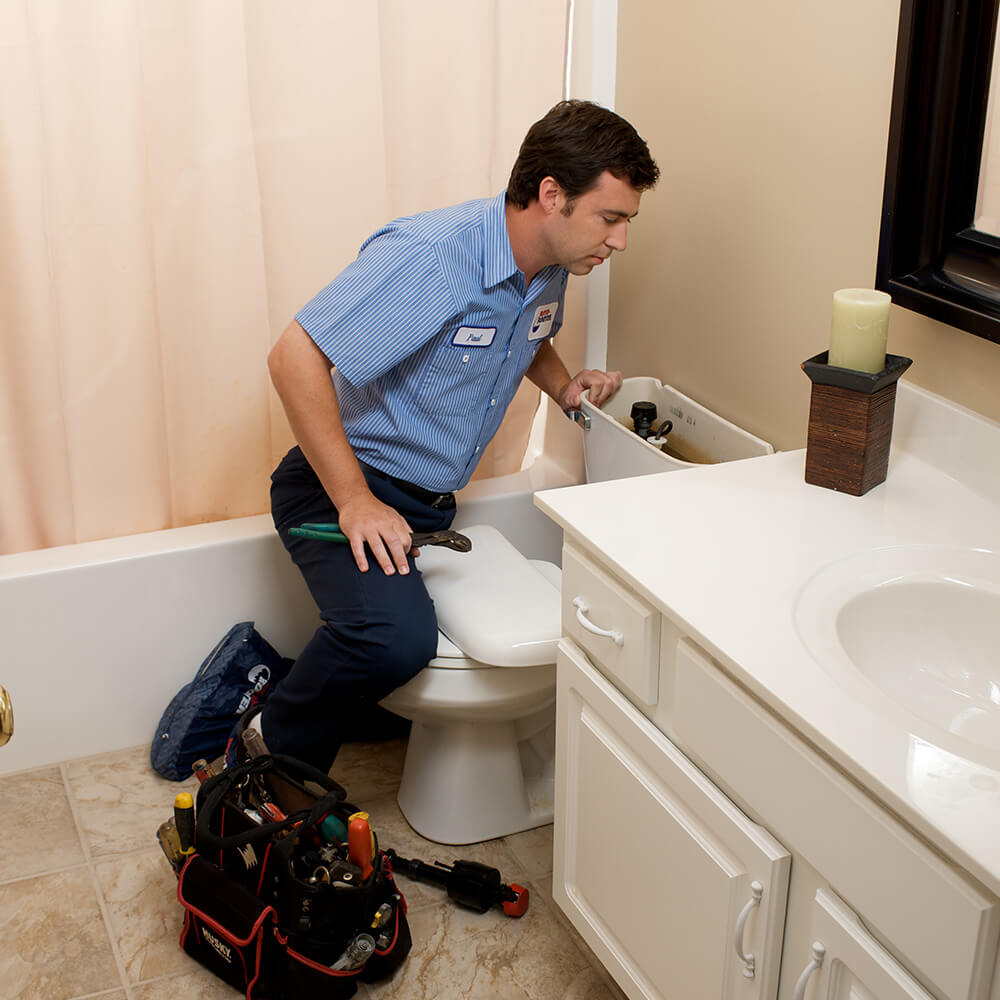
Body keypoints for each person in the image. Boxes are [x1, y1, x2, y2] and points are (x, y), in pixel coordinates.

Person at [237, 99, 659, 772]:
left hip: (425, 503)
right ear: (551, 195)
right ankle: (262, 747)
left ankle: (345, 705)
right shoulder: (434, 256)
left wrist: (565, 388)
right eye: (611, 219)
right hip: (339, 486)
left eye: (627, 221)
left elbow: (528, 334)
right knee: (392, 642)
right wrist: (352, 500)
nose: (620, 241)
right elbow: (294, 356)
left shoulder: (551, 264)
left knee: (398, 644)